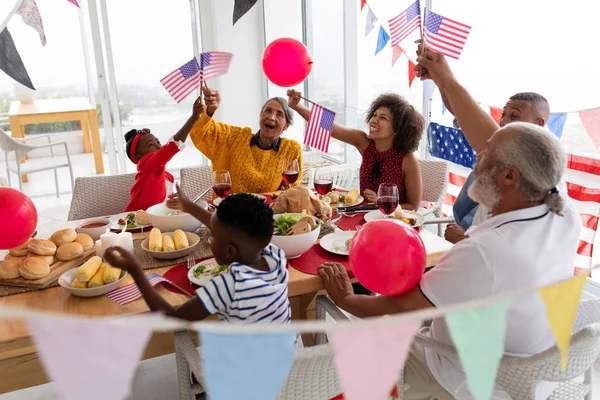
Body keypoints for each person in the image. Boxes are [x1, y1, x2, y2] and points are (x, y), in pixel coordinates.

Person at [319, 122, 581, 400]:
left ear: (509, 176)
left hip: (473, 377)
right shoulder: (563, 211)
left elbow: (398, 307)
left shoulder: (486, 252)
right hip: (535, 370)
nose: (477, 157)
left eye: (487, 151)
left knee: (357, 346)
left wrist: (346, 299)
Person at [414, 47, 565, 243]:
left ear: (539, 124)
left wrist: (466, 239)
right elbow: (460, 112)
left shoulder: (541, 172)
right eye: (504, 114)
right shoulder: (504, 147)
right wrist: (440, 81)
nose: (503, 122)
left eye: (514, 116)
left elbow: (507, 250)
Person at [105, 191, 290, 324]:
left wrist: (136, 270)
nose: (210, 238)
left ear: (229, 252)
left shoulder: (230, 285)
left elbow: (174, 317)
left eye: (213, 235)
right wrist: (188, 206)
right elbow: (222, 226)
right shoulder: (276, 256)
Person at [287, 90, 424, 210]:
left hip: (394, 224)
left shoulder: (407, 159)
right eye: (374, 115)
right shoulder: (364, 143)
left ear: (398, 129)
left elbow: (413, 206)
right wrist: (296, 106)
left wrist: (382, 202)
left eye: (383, 118)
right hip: (362, 215)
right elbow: (330, 126)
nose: (373, 120)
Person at [189, 86, 303, 194]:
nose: (271, 117)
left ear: (286, 125)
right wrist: (210, 109)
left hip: (268, 212)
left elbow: (291, 190)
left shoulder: (291, 149)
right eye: (267, 111)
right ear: (260, 116)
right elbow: (199, 132)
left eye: (279, 114)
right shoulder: (234, 137)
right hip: (230, 211)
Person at [124, 96, 203, 212]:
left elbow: (163, 202)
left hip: (154, 220)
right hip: (136, 222)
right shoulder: (146, 164)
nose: (158, 146)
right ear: (139, 158)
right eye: (150, 145)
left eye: (158, 141)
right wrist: (193, 118)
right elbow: (168, 149)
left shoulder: (166, 175)